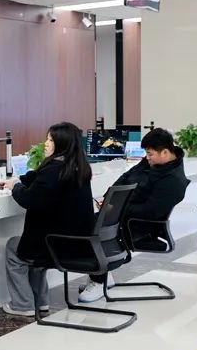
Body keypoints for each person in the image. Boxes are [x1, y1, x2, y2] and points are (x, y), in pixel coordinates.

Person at [77, 127, 188, 302]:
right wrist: (109, 199)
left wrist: (117, 208)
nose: (147, 157)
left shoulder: (173, 181)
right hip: (121, 216)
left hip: (138, 226)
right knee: (84, 224)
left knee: (92, 231)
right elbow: (126, 175)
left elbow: (149, 211)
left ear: (165, 152)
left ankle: (99, 281)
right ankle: (103, 275)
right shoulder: (151, 162)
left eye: (150, 154)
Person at [0, 122, 96, 316]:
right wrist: (19, 180)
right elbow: (39, 180)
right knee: (30, 246)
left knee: (14, 248)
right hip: (76, 241)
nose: (46, 143)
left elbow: (30, 199)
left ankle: (23, 304)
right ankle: (41, 301)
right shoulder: (76, 167)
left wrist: (15, 187)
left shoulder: (54, 170)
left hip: (56, 244)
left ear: (61, 144)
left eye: (50, 140)